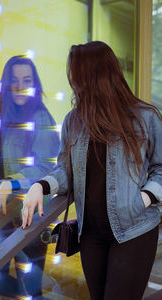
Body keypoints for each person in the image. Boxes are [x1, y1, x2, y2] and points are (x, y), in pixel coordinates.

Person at [21, 41, 162, 300]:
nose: (73, 82)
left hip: (134, 229)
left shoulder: (146, 117)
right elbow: (66, 170)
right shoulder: (74, 121)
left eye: (76, 75)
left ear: (94, 75)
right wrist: (39, 186)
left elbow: (161, 168)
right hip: (90, 235)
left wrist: (144, 199)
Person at [0, 55, 60, 298]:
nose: (20, 85)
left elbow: (46, 169)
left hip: (31, 218)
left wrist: (11, 182)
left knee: (31, 288)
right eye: (14, 79)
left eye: (26, 80)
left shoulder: (41, 118)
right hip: (1, 216)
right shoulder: (3, 118)